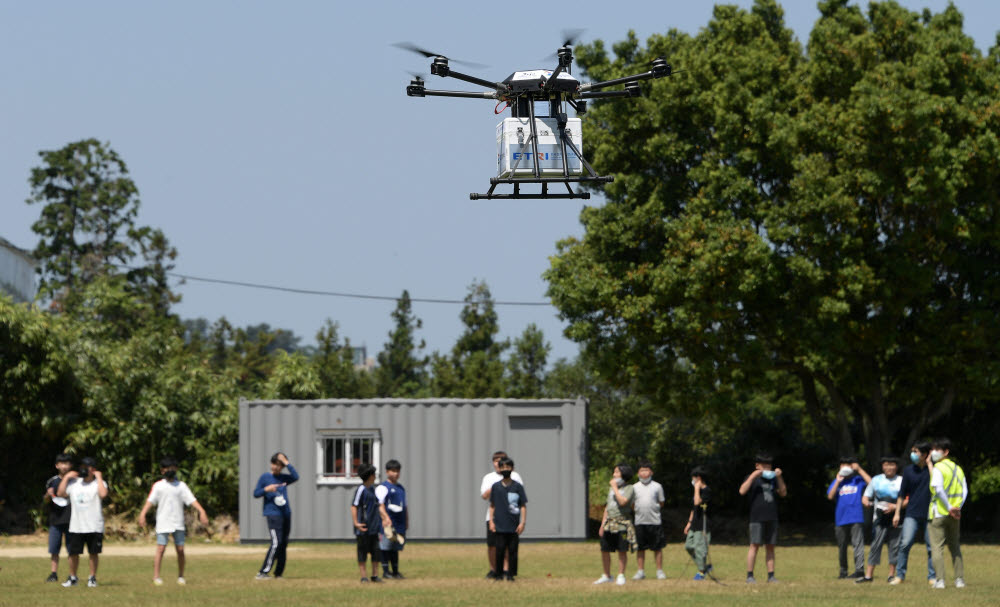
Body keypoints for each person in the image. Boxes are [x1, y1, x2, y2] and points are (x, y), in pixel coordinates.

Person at [137, 457, 210, 585]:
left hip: (178, 522)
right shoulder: (158, 486)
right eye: (167, 468)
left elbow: (191, 500)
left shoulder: (181, 486)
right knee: (160, 548)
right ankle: (156, 577)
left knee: (180, 549)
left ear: (176, 469)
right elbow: (150, 501)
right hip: (163, 522)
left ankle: (181, 576)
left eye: (172, 468)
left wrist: (202, 511)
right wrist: (142, 514)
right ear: (162, 471)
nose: (170, 470)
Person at [56, 457, 108, 588]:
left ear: (93, 470)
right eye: (83, 466)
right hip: (76, 525)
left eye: (88, 467)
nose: (85, 469)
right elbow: (60, 493)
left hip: (94, 525)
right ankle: (73, 577)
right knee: (73, 553)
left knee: (93, 553)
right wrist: (66, 478)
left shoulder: (99, 483)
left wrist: (99, 478)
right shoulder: (74, 483)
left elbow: (103, 494)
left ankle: (92, 578)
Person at [890, 440, 936, 586]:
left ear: (924, 454)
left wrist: (929, 464)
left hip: (931, 513)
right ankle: (900, 575)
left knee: (931, 546)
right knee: (905, 543)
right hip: (912, 513)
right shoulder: (909, 470)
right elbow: (902, 494)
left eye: (916, 452)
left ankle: (932, 576)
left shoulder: (934, 469)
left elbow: (936, 483)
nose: (913, 455)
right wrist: (897, 513)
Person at [738, 453, 786, 584]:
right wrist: (753, 476)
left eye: (769, 466)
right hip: (756, 517)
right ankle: (750, 575)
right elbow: (742, 491)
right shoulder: (751, 478)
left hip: (772, 516)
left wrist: (779, 476)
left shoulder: (773, 479)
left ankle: (771, 576)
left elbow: (783, 493)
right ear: (757, 466)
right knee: (754, 545)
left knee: (770, 546)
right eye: (764, 466)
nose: (766, 469)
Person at [926, 438, 967, 589]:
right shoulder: (958, 469)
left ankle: (940, 581)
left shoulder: (938, 468)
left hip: (939, 512)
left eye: (937, 449)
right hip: (955, 514)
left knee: (937, 547)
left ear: (946, 452)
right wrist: (957, 508)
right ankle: (959, 580)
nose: (934, 452)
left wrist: (949, 507)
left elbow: (938, 489)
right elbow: (965, 490)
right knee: (955, 547)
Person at [856, 456, 902, 583]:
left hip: (897, 518)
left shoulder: (901, 480)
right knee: (875, 545)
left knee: (894, 546)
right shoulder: (876, 480)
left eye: (892, 464)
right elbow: (865, 497)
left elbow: (907, 499)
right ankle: (869, 575)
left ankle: (891, 575)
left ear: (896, 467)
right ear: (883, 467)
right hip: (879, 518)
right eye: (886, 465)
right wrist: (867, 503)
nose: (889, 467)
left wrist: (894, 507)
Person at [252, 451, 298, 580]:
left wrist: (287, 463)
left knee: (283, 544)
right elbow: (256, 493)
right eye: (274, 464)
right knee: (276, 542)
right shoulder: (265, 477)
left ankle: (278, 573)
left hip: (286, 513)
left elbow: (295, 476)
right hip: (273, 514)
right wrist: (266, 489)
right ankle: (263, 572)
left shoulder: (283, 478)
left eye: (279, 465)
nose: (275, 467)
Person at [480, 450, 525, 580]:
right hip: (494, 517)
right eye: (496, 461)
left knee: (508, 546)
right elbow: (484, 496)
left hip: (510, 517)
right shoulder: (489, 478)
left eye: (502, 460)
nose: (500, 464)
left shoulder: (515, 476)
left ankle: (507, 570)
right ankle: (494, 569)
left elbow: (520, 496)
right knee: (493, 544)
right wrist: (496, 487)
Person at [826, 456, 870, 579]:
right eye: (843, 465)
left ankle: (859, 570)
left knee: (858, 545)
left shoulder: (858, 480)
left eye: (848, 465)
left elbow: (872, 483)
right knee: (842, 546)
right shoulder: (837, 481)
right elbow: (830, 496)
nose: (845, 468)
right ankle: (843, 570)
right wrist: (838, 481)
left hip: (856, 517)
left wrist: (859, 469)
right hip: (841, 518)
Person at [593, 463, 636, 586]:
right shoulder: (612, 488)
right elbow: (608, 507)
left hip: (622, 523)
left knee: (622, 550)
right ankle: (607, 575)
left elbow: (623, 502)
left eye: (617, 472)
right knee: (604, 549)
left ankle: (621, 575)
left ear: (624, 474)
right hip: (609, 523)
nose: (614, 475)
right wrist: (602, 524)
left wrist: (615, 488)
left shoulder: (630, 488)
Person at [631, 461, 666, 580]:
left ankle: (659, 571)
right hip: (640, 521)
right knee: (640, 548)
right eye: (642, 470)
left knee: (657, 547)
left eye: (646, 470)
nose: (644, 473)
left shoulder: (657, 486)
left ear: (651, 472)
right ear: (638, 473)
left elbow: (661, 502)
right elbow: (632, 504)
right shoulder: (634, 487)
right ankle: (640, 571)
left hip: (655, 521)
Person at [375, 459, 407, 579]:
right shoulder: (383, 487)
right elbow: (380, 505)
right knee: (385, 547)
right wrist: (385, 518)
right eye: (393, 471)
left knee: (395, 548)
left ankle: (395, 571)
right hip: (388, 523)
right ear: (387, 472)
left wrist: (406, 520)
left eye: (398, 471)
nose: (396, 474)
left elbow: (404, 505)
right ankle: (385, 571)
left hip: (399, 523)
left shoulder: (401, 488)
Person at [44, 453, 73, 582]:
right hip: (55, 519)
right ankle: (53, 573)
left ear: (70, 465)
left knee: (71, 549)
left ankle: (72, 574)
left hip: (72, 519)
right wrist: (47, 495)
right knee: (54, 548)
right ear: (57, 465)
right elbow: (45, 501)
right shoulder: (52, 481)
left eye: (67, 463)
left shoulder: (75, 480)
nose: (64, 466)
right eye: (62, 463)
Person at [352, 464, 382, 582]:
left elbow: (378, 506)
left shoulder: (373, 489)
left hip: (374, 527)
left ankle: (374, 575)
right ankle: (363, 576)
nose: (375, 476)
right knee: (362, 552)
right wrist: (356, 523)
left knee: (376, 552)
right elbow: (354, 506)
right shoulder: (361, 490)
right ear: (369, 476)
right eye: (373, 474)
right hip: (363, 527)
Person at [684, 466, 712, 580]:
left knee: (700, 549)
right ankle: (705, 567)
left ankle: (701, 572)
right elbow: (693, 509)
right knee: (688, 546)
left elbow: (697, 503)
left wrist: (696, 489)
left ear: (699, 478)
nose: (692, 480)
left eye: (694, 478)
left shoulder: (707, 491)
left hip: (703, 524)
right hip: (694, 523)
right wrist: (689, 523)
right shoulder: (698, 491)